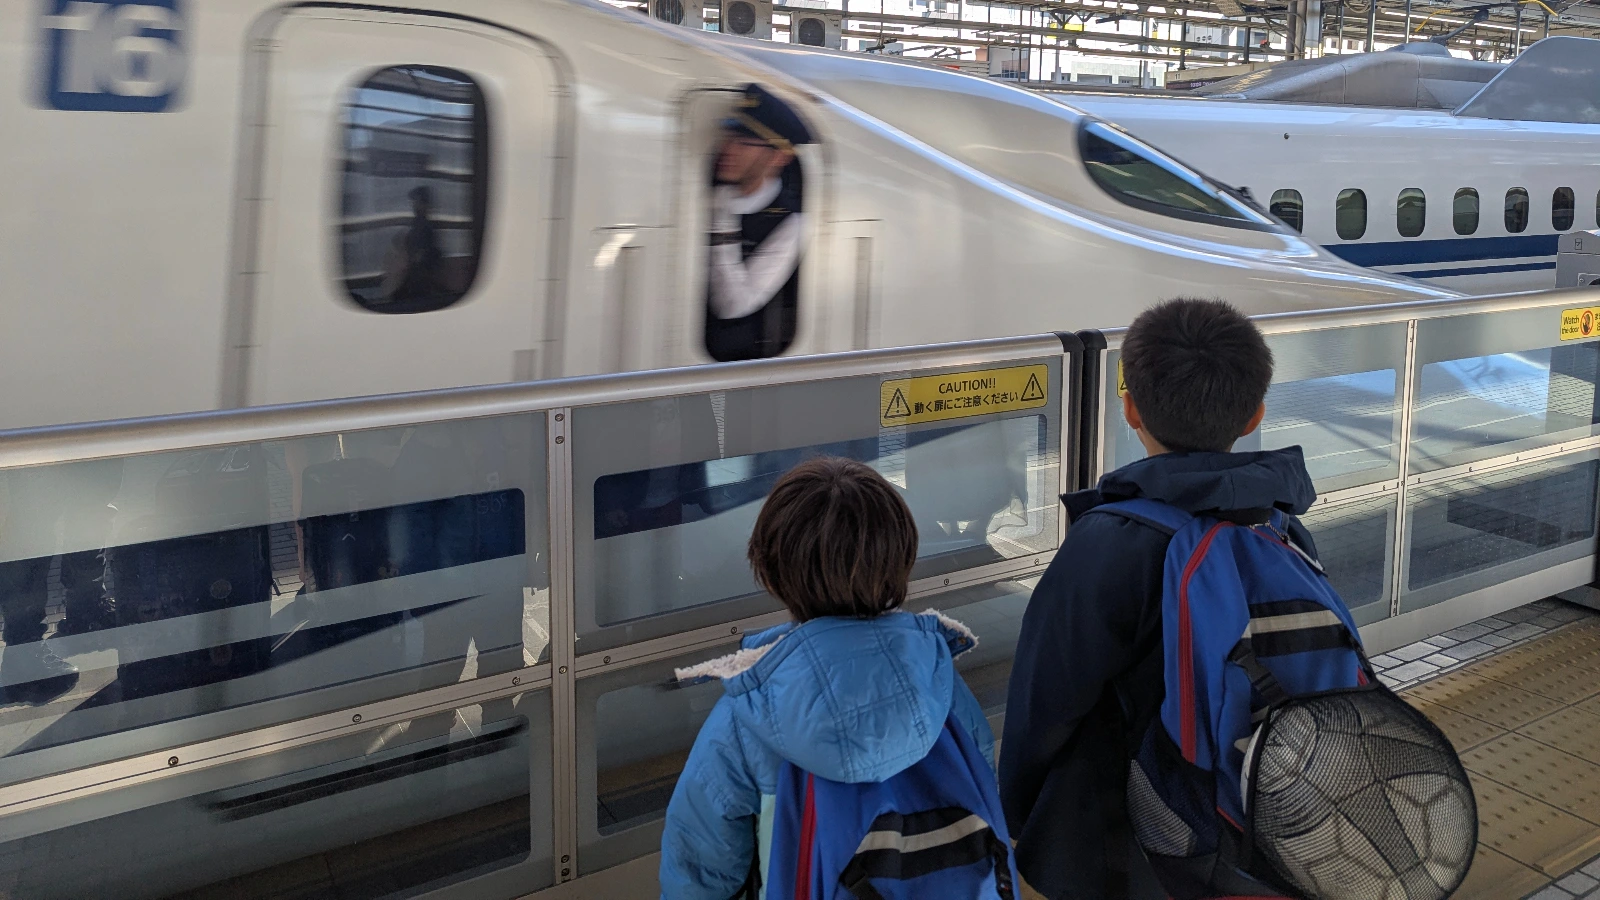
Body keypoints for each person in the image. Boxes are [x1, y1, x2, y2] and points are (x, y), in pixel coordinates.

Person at [998, 298, 1316, 900]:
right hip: (1265, 821)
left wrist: (1018, 817)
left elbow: (1045, 700)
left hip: (1132, 848)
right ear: (1254, 416)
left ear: (1129, 409)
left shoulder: (1112, 542)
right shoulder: (1282, 528)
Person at [658, 457, 1001, 899]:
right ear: (902, 561)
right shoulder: (944, 687)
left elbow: (698, 877)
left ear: (772, 572)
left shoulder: (745, 720)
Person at [705, 84, 812, 362]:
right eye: (729, 136)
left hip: (730, 360)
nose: (728, 149)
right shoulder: (702, 189)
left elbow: (733, 304)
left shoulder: (790, 222)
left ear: (779, 157)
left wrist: (721, 219)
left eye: (744, 142)